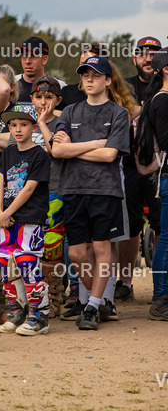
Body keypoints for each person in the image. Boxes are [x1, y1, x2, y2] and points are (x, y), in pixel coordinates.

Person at [51, 55, 132, 331]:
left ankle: (93, 306)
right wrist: (95, 143)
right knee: (75, 253)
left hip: (105, 190)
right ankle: (99, 302)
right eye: (85, 74)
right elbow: (57, 150)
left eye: (95, 75)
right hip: (73, 189)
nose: (89, 79)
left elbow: (111, 155)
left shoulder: (118, 113)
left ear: (108, 81)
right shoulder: (71, 111)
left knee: (100, 248)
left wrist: (77, 147)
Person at [0, 106, 51, 336]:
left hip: (30, 218)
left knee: (27, 262)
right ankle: (17, 310)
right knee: (4, 263)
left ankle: (39, 315)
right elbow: (1, 181)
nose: (18, 129)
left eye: (24, 124)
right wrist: (0, 211)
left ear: (34, 127)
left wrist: (9, 212)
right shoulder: (8, 153)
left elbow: (29, 188)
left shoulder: (39, 155)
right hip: (7, 219)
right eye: (13, 125)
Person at [116, 36, 164, 303]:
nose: (148, 58)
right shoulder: (126, 87)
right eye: (142, 54)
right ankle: (125, 282)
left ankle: (162, 285)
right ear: (134, 59)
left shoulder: (164, 85)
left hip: (160, 166)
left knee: (161, 227)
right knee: (130, 227)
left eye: (153, 54)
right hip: (129, 164)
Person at [31, 77, 68, 318]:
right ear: (31, 98)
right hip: (28, 195)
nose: (43, 102)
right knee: (29, 247)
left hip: (55, 190)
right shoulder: (22, 123)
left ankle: (55, 297)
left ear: (58, 100)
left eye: (49, 97)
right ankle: (34, 297)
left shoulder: (64, 122)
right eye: (38, 97)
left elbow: (55, 151)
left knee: (52, 248)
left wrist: (44, 122)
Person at [140, 52, 168, 320]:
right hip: (167, 176)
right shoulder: (162, 100)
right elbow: (166, 141)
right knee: (167, 239)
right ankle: (160, 298)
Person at [15, 36, 65, 102]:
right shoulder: (11, 84)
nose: (27, 61)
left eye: (33, 56)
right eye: (24, 56)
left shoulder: (59, 86)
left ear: (44, 59)